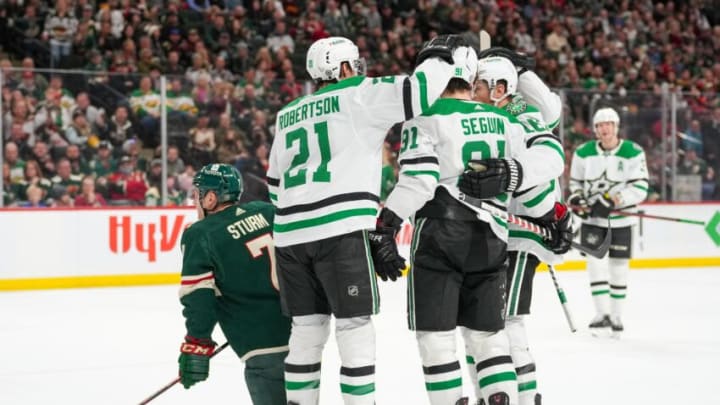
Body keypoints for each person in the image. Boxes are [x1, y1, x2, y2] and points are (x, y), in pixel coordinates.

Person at [266, 35, 461, 405]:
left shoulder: (286, 113)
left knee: (306, 330)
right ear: (342, 69)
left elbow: (275, 188)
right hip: (340, 232)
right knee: (354, 328)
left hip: (289, 235)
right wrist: (440, 55)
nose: (357, 69)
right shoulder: (357, 93)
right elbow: (419, 91)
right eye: (352, 64)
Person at [379, 42, 567, 405]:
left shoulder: (425, 118)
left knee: (437, 340)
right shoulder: (504, 119)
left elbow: (418, 181)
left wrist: (387, 224)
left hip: (439, 237)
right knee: (489, 338)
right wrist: (547, 213)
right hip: (492, 240)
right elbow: (550, 156)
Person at [465, 55, 572, 405]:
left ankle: (524, 399)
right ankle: (488, 394)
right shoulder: (489, 118)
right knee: (476, 323)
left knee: (505, 322)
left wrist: (548, 215)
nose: (471, 93)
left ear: (499, 89)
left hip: (521, 236)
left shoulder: (523, 119)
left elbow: (545, 171)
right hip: (494, 231)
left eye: (477, 87)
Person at [178, 163, 291, 405]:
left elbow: (199, 296)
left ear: (210, 198)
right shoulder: (266, 211)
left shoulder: (200, 233)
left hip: (261, 347)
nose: (194, 201)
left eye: (197, 195)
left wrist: (197, 343)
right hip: (301, 336)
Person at [568, 107, 649, 337]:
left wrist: (614, 200)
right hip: (593, 222)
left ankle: (616, 315)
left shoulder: (633, 152)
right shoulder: (583, 153)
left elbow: (640, 187)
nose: (605, 128)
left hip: (622, 221)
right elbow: (575, 183)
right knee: (594, 266)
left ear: (616, 126)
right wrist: (578, 200)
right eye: (600, 125)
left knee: (618, 267)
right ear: (595, 129)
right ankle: (601, 314)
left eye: (609, 124)